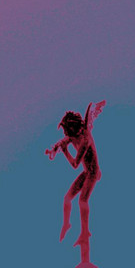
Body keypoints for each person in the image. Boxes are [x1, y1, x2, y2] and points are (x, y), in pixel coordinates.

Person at [46, 100, 105, 245]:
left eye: (68, 131)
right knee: (67, 198)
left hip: (92, 172)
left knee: (82, 201)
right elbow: (62, 141)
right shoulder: (72, 136)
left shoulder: (85, 139)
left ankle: (85, 232)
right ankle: (67, 224)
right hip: (86, 172)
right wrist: (54, 149)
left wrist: (65, 151)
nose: (67, 135)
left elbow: (75, 164)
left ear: (74, 128)